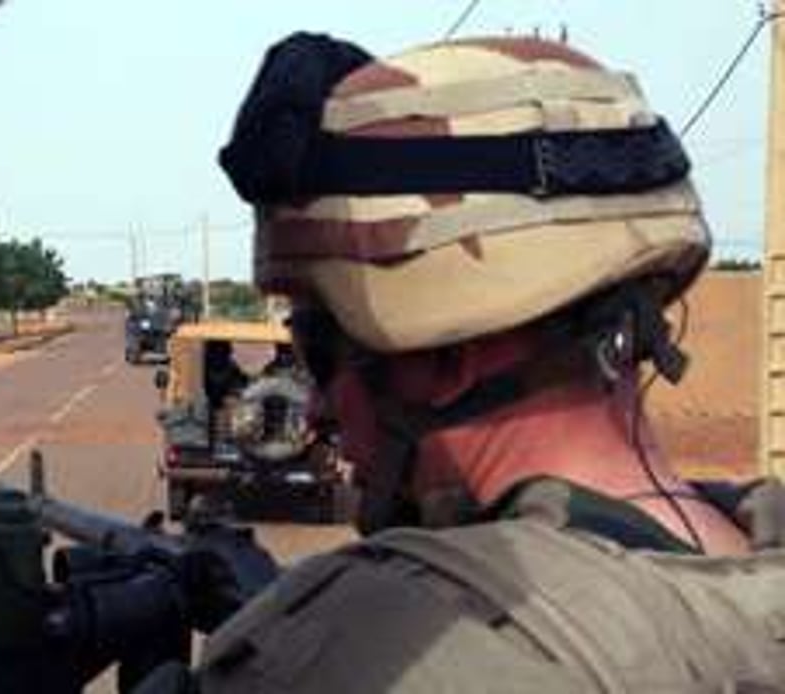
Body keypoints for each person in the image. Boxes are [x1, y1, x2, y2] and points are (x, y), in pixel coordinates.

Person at [189, 33, 785, 692]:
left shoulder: (365, 642)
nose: (322, 408)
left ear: (447, 353)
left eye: (317, 351)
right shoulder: (754, 562)